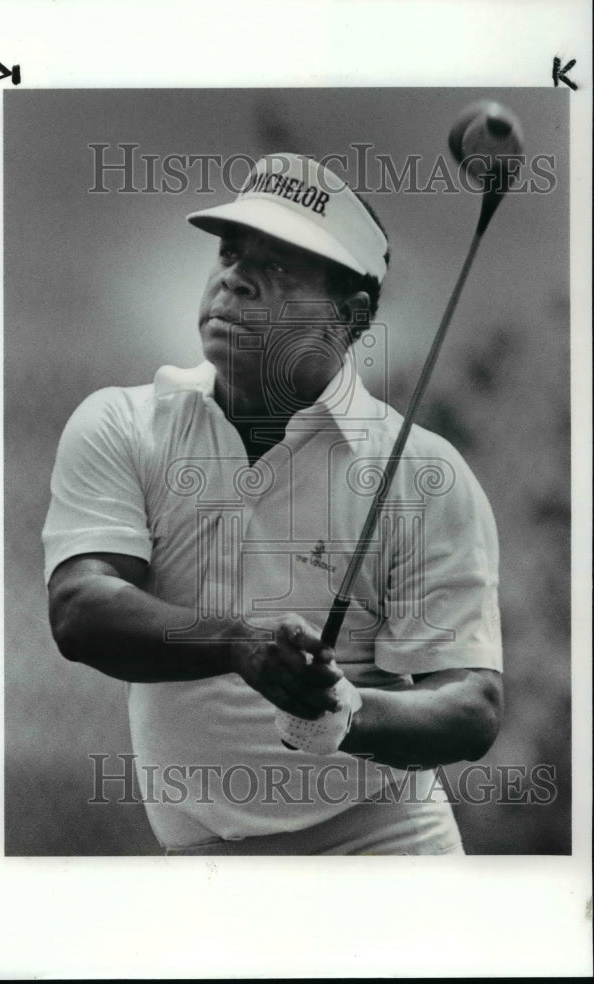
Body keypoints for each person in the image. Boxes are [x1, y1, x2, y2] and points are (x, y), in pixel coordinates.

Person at [42, 153, 504, 855]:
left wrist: (354, 712)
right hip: (199, 859)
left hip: (386, 845)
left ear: (349, 318)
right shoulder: (122, 424)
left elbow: (472, 703)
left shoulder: (422, 471)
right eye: (231, 253)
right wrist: (240, 645)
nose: (235, 277)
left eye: (281, 268)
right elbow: (81, 609)